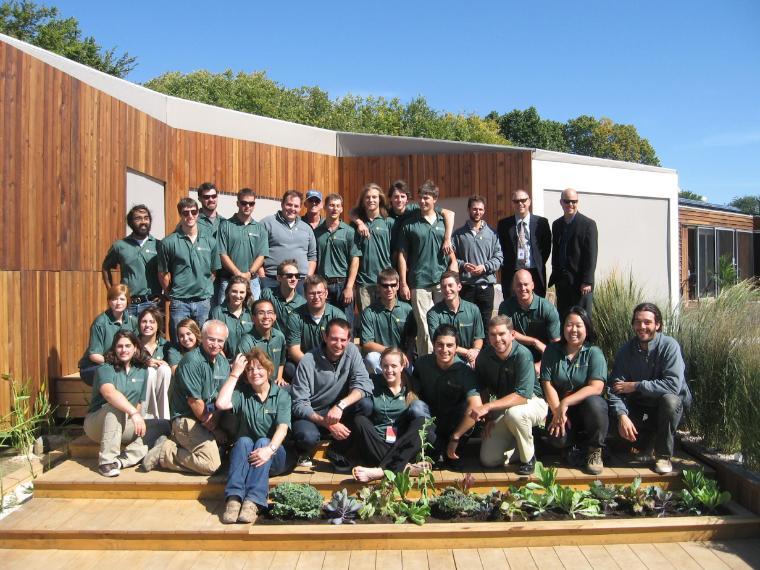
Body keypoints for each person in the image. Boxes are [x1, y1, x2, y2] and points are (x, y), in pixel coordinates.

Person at [609, 303, 692, 475]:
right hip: (641, 408)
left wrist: (636, 385)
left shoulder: (670, 346)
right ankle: (646, 442)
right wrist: (622, 415)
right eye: (638, 322)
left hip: (670, 410)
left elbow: (672, 385)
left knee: (669, 400)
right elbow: (616, 387)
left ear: (658, 325)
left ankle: (663, 455)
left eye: (647, 322)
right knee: (609, 413)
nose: (642, 327)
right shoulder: (626, 351)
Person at [142, 320, 232, 475]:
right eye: (211, 339)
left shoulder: (222, 362)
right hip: (188, 419)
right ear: (202, 337)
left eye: (220, 341)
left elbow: (222, 396)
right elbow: (195, 403)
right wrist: (215, 429)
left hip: (210, 415)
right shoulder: (192, 362)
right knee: (211, 464)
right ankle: (166, 452)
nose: (215, 344)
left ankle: (180, 442)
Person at [217, 349, 292, 524]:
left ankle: (253, 501)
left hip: (274, 455)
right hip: (248, 455)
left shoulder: (281, 395)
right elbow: (221, 403)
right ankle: (234, 499)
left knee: (263, 441)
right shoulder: (243, 393)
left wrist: (269, 450)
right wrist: (235, 374)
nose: (255, 372)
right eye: (250, 369)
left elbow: (282, 428)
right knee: (243, 441)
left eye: (259, 368)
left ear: (269, 371)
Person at [290, 318, 373, 472]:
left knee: (366, 405)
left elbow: (364, 384)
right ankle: (302, 453)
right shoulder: (308, 360)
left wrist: (341, 405)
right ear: (325, 337)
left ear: (349, 339)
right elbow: (299, 404)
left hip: (339, 410)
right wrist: (327, 423)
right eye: (334, 339)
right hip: (314, 414)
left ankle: (337, 450)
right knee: (306, 436)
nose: (338, 344)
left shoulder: (352, 351)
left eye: (343, 340)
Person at [83, 331, 169, 477]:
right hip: (97, 424)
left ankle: (122, 461)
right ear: (114, 349)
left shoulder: (142, 370)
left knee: (164, 425)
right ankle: (106, 462)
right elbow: (109, 393)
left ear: (135, 347)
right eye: (120, 346)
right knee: (115, 406)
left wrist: (137, 417)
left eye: (128, 346)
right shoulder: (106, 368)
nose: (124, 350)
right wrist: (134, 414)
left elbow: (139, 403)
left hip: (124, 424)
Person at [471, 316, 548, 475]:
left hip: (533, 401)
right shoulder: (484, 357)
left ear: (512, 334)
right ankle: (527, 444)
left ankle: (528, 459)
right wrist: (489, 418)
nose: (497, 339)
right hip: (504, 405)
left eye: (501, 334)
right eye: (493, 334)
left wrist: (488, 407)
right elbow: (483, 389)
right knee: (488, 459)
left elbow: (522, 396)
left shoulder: (523, 354)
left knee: (515, 414)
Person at [540, 306, 608, 475]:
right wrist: (557, 412)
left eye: (579, 325)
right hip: (561, 410)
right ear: (563, 327)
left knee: (595, 403)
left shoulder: (594, 352)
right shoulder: (552, 350)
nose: (574, 330)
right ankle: (573, 447)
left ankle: (595, 450)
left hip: (587, 409)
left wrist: (566, 402)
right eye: (569, 325)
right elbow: (546, 383)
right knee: (557, 439)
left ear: (587, 328)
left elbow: (596, 387)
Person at [352, 347, 432, 482]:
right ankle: (404, 468)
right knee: (359, 420)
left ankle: (381, 471)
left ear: (402, 366)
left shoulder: (413, 386)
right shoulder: (372, 382)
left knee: (422, 422)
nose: (389, 370)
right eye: (385, 366)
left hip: (403, 445)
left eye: (394, 366)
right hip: (377, 444)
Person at [397, 180, 458, 356]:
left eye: (427, 198)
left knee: (442, 324)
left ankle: (445, 360)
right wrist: (403, 283)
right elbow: (402, 255)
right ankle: (427, 363)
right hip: (419, 281)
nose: (423, 202)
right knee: (424, 327)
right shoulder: (409, 224)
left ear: (435, 199)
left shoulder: (442, 221)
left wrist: (447, 238)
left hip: (441, 281)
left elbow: (451, 214)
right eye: (421, 198)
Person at [410, 324, 482, 467]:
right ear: (433, 345)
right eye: (440, 345)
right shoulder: (422, 364)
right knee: (416, 406)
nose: (444, 350)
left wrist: (455, 437)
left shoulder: (464, 370)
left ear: (456, 347)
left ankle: (450, 451)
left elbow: (476, 406)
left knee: (470, 411)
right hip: (430, 419)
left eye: (450, 345)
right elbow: (413, 390)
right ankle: (435, 450)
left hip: (454, 423)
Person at [158, 197, 220, 342]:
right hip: (180, 302)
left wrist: (203, 286)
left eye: (194, 212)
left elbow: (213, 271)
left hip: (203, 301)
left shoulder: (210, 241)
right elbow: (163, 273)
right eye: (186, 213)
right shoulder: (168, 242)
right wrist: (171, 294)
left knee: (203, 341)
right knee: (179, 343)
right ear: (180, 214)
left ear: (198, 213)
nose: (190, 216)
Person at [101, 204, 162, 317]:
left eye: (146, 218)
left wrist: (166, 292)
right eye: (138, 218)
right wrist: (112, 292)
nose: (143, 221)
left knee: (152, 335)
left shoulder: (159, 245)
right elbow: (105, 267)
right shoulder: (120, 246)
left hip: (153, 304)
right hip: (128, 305)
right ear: (130, 222)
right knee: (127, 335)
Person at [452, 195, 503, 329]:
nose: (477, 212)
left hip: (486, 286)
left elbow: (499, 258)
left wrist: (485, 267)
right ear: (468, 210)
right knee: (466, 324)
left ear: (484, 211)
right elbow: (449, 258)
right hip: (466, 286)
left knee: (486, 325)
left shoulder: (492, 234)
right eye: (474, 209)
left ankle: (485, 350)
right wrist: (463, 265)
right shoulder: (458, 235)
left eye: (480, 209)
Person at [498, 269, 561, 375]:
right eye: (519, 285)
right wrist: (534, 342)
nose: (523, 288)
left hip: (544, 356)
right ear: (513, 287)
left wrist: (541, 364)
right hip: (515, 356)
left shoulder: (547, 308)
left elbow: (556, 343)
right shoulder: (506, 306)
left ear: (532, 285)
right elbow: (506, 333)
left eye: (526, 284)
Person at [314, 193, 361, 333]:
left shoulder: (349, 232)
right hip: (323, 286)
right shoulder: (317, 233)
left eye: (338, 206)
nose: (334, 208)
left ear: (341, 209)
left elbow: (355, 260)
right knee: (324, 325)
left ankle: (349, 354)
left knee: (346, 325)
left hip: (343, 285)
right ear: (325, 208)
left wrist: (349, 287)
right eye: (331, 205)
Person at [285, 275, 347, 380]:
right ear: (305, 295)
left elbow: (343, 346)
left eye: (319, 293)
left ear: (326, 293)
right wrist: (312, 366)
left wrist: (326, 367)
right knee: (289, 369)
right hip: (305, 362)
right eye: (312, 293)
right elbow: (294, 350)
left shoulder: (338, 316)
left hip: (332, 363)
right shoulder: (295, 316)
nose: (316, 297)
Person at [548, 188, 598, 318]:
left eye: (574, 201)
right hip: (562, 282)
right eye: (567, 201)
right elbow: (556, 252)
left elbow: (591, 255)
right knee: (564, 318)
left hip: (580, 283)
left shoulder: (588, 224)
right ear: (561, 202)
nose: (571, 204)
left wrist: (587, 281)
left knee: (582, 319)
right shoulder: (557, 224)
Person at [78, 284, 138, 386]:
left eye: (122, 299)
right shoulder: (100, 323)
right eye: (114, 299)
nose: (118, 303)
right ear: (109, 301)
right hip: (95, 366)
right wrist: (117, 364)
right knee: (117, 375)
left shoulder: (132, 321)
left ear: (127, 301)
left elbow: (138, 347)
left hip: (122, 365)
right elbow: (94, 355)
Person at [217, 187, 268, 305]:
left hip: (252, 281)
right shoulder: (225, 226)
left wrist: (249, 274)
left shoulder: (260, 228)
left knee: (253, 316)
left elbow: (262, 255)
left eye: (251, 203)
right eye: (244, 203)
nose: (247, 206)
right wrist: (238, 273)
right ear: (237, 203)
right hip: (229, 280)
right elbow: (222, 253)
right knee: (224, 315)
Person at [359, 268, 416, 374]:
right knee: (371, 358)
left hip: (402, 358)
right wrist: (393, 352)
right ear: (379, 287)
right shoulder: (369, 312)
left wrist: (407, 355)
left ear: (398, 286)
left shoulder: (407, 309)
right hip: (381, 357)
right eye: (385, 286)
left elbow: (412, 338)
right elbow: (367, 344)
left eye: (393, 285)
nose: (389, 289)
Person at [497, 189, 552, 298]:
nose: (520, 204)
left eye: (523, 200)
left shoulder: (541, 223)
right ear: (512, 203)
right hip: (512, 273)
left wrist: (537, 262)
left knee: (536, 308)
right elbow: (501, 249)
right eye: (516, 201)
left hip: (535, 272)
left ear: (529, 202)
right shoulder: (504, 224)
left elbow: (546, 248)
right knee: (512, 308)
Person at [260, 190, 317, 293]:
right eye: (289, 205)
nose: (292, 209)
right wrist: (262, 277)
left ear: (300, 208)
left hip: (300, 282)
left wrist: (308, 277)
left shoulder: (307, 228)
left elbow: (312, 256)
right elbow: (258, 252)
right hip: (272, 280)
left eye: (296, 206)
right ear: (282, 204)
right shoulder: (267, 223)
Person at [350, 183, 394, 313]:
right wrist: (359, 222)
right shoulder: (356, 226)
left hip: (386, 281)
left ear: (380, 199)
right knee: (366, 321)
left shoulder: (389, 222)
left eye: (374, 197)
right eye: (367, 197)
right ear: (363, 201)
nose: (371, 200)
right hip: (364, 282)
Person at [427, 271, 485, 367]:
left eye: (450, 285)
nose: (447, 289)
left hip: (470, 359)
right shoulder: (433, 314)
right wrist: (467, 353)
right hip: (445, 359)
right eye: (444, 286)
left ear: (459, 287)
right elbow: (438, 343)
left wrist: (475, 351)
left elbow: (479, 337)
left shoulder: (473, 309)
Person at [386, 179, 455, 258]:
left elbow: (449, 214)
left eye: (402, 196)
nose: (399, 200)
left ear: (407, 199)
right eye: (396, 197)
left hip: (409, 260)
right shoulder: (385, 214)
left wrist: (447, 239)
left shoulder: (416, 209)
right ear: (390, 198)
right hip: (389, 259)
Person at [237, 299, 287, 386]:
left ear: (275, 316)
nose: (266, 316)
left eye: (270, 312)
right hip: (253, 386)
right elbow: (242, 372)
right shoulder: (246, 341)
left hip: (274, 385)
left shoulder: (280, 337)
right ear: (253, 318)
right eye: (261, 313)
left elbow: (281, 362)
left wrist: (279, 377)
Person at [137, 307, 172, 420]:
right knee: (149, 371)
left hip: (162, 390)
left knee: (165, 369)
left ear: (158, 325)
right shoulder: (133, 343)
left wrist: (167, 364)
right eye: (144, 321)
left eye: (152, 322)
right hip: (138, 389)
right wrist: (145, 361)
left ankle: (164, 420)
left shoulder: (166, 346)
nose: (147, 325)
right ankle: (146, 417)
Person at [209, 276, 254, 361]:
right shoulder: (217, 312)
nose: (238, 295)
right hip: (225, 361)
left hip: (249, 362)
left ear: (246, 294)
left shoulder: (252, 312)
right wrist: (225, 364)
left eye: (241, 292)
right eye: (234, 291)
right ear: (228, 292)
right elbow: (214, 341)